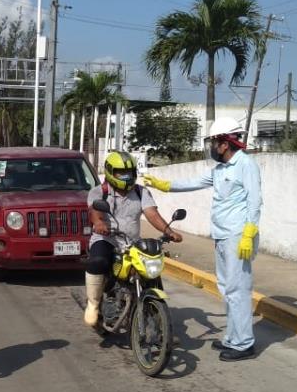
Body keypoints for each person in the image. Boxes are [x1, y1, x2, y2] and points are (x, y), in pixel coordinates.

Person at [143, 117, 262, 362]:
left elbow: (255, 201)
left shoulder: (246, 165)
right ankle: (233, 337)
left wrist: (249, 233)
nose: (211, 148)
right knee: (226, 289)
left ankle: (244, 344)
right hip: (221, 235)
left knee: (238, 290)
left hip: (239, 236)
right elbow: (193, 183)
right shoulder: (220, 170)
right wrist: (163, 185)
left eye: (214, 142)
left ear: (225, 143)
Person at [85, 151, 183, 329]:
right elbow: (95, 212)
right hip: (107, 239)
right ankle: (93, 304)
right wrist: (99, 223)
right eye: (121, 173)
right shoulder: (99, 191)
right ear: (110, 172)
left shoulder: (140, 191)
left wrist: (169, 231)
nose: (126, 177)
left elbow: (152, 214)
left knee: (151, 274)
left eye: (129, 172)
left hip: (131, 243)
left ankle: (161, 326)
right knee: (97, 261)